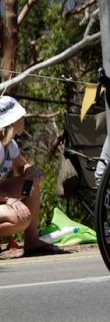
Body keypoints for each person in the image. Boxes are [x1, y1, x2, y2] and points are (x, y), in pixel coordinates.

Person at [0, 97, 60, 256]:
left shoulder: (9, 145)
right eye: (20, 116)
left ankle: (32, 241)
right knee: (20, 218)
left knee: (32, 181)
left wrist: (29, 170)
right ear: (11, 122)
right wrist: (8, 199)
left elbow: (21, 165)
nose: (23, 119)